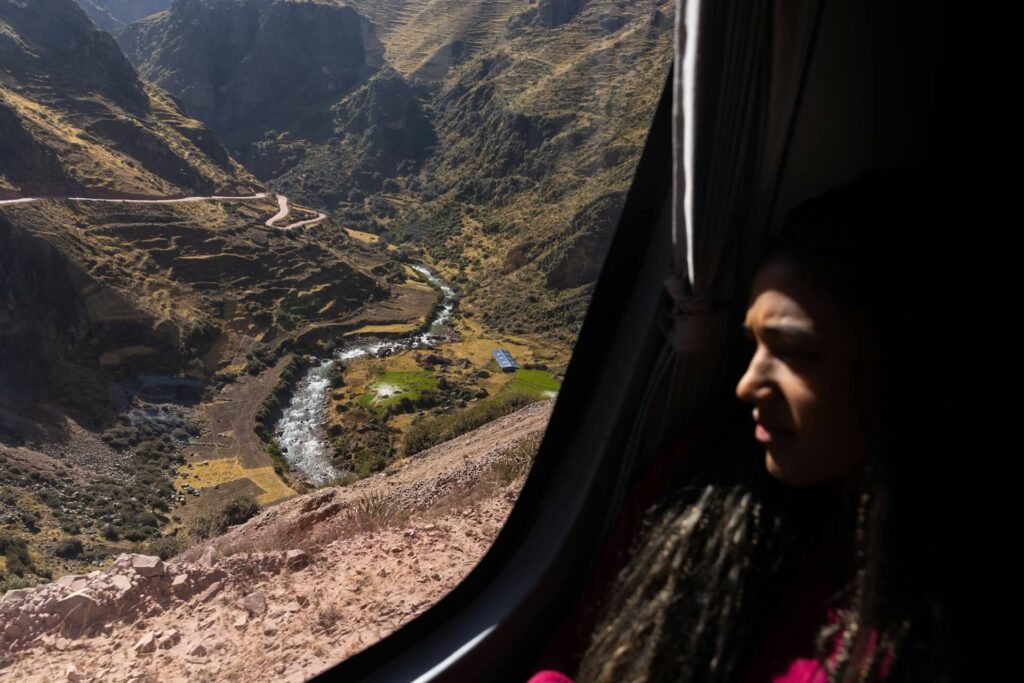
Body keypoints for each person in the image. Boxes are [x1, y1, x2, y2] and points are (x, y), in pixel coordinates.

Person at [560, 175, 969, 682]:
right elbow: (578, 651)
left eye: (795, 352)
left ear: (908, 367)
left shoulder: (941, 626)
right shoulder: (701, 487)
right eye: (753, 346)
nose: (747, 385)